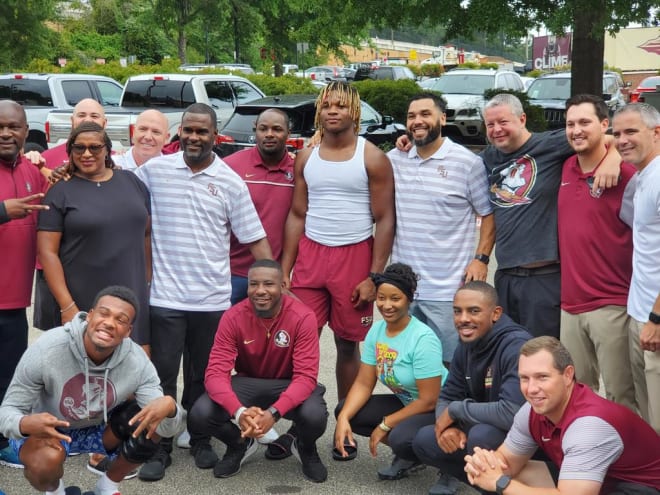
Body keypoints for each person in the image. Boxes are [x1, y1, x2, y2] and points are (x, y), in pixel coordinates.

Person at [133, 103, 272, 481]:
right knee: (160, 377)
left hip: (212, 300)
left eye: (202, 132)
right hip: (164, 297)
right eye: (189, 131)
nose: (195, 137)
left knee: (205, 375)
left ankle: (199, 438)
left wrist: (275, 285)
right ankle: (158, 446)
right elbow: (111, 176)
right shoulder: (154, 172)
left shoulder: (230, 182)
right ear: (180, 134)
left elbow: (255, 238)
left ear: (215, 136)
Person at [0, 286, 184, 495]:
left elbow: (167, 429)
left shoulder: (137, 361)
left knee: (151, 418)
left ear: (128, 331)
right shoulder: (47, 349)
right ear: (89, 316)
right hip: (48, 430)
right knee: (44, 463)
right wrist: (24, 423)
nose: (109, 323)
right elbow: (7, 411)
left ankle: (106, 488)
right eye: (104, 314)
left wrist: (171, 408)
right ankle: (56, 492)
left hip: (99, 429)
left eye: (121, 320)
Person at [281, 81, 395, 402]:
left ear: (354, 111)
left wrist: (374, 277)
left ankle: (345, 421)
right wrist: (285, 269)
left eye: (341, 105)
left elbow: (385, 219)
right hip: (311, 256)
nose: (333, 111)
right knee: (301, 340)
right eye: (328, 105)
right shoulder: (305, 157)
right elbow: (297, 214)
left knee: (347, 345)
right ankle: (297, 420)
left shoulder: (372, 158)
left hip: (354, 257)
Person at [480, 93, 621, 338]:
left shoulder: (550, 144)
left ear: (522, 119)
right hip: (505, 275)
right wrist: (407, 143)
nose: (497, 129)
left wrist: (613, 159)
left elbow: (607, 137)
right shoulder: (488, 158)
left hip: (544, 277)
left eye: (503, 122)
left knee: (545, 355)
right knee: (512, 353)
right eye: (490, 124)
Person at [187, 259, 328, 483]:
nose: (260, 291)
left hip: (288, 383)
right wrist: (239, 412)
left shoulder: (303, 317)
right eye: (254, 284)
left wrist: (273, 413)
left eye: (268, 284)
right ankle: (239, 444)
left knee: (315, 415)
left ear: (283, 285)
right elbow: (215, 373)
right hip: (248, 382)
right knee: (200, 413)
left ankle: (305, 447)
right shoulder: (233, 316)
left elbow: (305, 376)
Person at [464, 336, 660, 495]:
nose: (531, 389)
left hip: (641, 487)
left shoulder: (589, 426)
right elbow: (506, 463)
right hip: (595, 482)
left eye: (542, 377)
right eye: (525, 378)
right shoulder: (532, 410)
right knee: (514, 476)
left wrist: (500, 483)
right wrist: (483, 465)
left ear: (568, 375)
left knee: (507, 485)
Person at [387, 93, 494, 366]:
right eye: (411, 116)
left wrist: (480, 258)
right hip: (404, 290)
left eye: (425, 114)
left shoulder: (467, 163)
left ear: (443, 118)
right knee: (406, 366)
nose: (417, 121)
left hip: (447, 291)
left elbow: (488, 214)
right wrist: (317, 138)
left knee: (451, 366)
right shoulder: (394, 160)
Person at [411, 281, 532, 495]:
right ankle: (485, 483)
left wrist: (457, 410)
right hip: (486, 423)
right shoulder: (466, 343)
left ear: (495, 313)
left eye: (473, 311)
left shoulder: (516, 346)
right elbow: (447, 395)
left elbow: (512, 412)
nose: (463, 319)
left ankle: (507, 488)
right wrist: (447, 427)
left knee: (480, 436)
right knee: (419, 439)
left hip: (530, 438)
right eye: (458, 312)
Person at [37, 122, 151, 347]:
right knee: (83, 373)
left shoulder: (132, 182)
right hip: (82, 301)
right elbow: (47, 252)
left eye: (95, 147)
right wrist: (67, 306)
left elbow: (146, 234)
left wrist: (148, 281)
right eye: (79, 148)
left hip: (132, 297)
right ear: (70, 152)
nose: (87, 153)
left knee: (133, 367)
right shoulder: (59, 192)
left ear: (107, 150)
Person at [558, 94, 638, 411]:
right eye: (570, 124)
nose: (576, 130)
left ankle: (634, 459)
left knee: (622, 395)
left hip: (612, 305)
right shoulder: (565, 167)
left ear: (604, 125)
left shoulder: (628, 176)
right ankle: (589, 457)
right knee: (578, 394)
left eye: (585, 122)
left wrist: (615, 156)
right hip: (570, 306)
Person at [334, 263, 447, 481]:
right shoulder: (377, 330)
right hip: (409, 403)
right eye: (381, 298)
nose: (387, 305)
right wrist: (343, 419)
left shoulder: (423, 339)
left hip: (441, 410)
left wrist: (386, 424)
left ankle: (450, 466)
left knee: (400, 437)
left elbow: (429, 400)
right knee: (346, 410)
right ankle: (411, 456)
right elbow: (364, 383)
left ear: (409, 299)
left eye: (395, 299)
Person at [0, 100, 49, 466]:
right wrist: (3, 211)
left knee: (9, 378)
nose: (5, 133)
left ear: (25, 129)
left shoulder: (33, 172)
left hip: (15, 302)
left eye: (13, 126)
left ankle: (3, 441)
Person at [32, 98, 108, 332]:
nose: (87, 120)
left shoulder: (112, 160)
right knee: (54, 338)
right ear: (71, 120)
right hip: (50, 266)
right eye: (81, 115)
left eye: (94, 116)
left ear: (104, 123)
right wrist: (31, 159)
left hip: (95, 266)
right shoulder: (44, 158)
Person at [612, 103, 660, 433]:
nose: (622, 140)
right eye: (616, 133)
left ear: (656, 133)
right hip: (639, 311)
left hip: (655, 317)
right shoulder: (643, 176)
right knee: (648, 413)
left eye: (631, 131)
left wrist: (657, 318)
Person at [223, 108, 294, 305]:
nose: (269, 134)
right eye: (263, 128)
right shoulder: (230, 166)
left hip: (275, 275)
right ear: (255, 130)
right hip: (234, 273)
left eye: (277, 129)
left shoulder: (298, 171)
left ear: (288, 133)